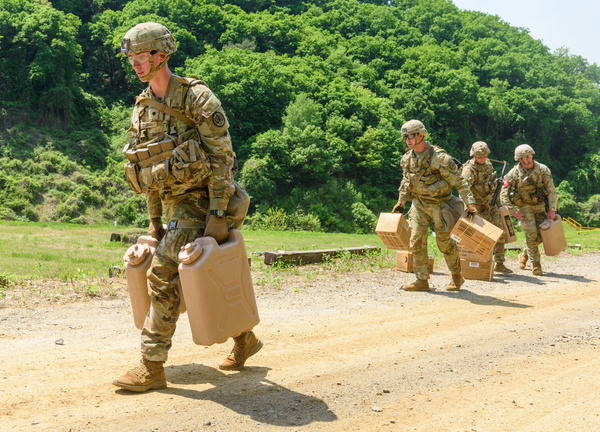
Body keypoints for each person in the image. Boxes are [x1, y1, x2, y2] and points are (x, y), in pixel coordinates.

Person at [114, 22, 262, 392]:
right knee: (194, 273)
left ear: (160, 54)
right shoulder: (142, 108)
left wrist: (216, 214)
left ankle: (152, 365)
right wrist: (153, 223)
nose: (135, 63)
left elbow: (222, 159)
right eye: (131, 57)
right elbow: (145, 168)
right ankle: (244, 338)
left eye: (140, 55)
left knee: (163, 272)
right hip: (171, 202)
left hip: (202, 200)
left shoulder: (197, 97)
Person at [393, 120, 478, 292]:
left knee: (445, 244)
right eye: (405, 137)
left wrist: (470, 204)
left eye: (411, 136)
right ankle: (421, 280)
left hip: (441, 205)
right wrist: (401, 202)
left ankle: (456, 277)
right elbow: (406, 181)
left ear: (421, 135)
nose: (408, 140)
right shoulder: (407, 158)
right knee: (416, 241)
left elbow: (459, 182)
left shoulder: (440, 158)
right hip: (419, 204)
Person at [500, 144, 558, 276]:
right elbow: (503, 193)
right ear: (519, 159)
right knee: (531, 235)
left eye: (530, 155)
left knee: (542, 235)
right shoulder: (513, 174)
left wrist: (552, 209)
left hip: (540, 206)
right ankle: (536, 265)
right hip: (524, 207)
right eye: (525, 157)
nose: (528, 159)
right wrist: (512, 210)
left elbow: (551, 190)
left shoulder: (543, 170)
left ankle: (525, 253)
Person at [461, 141, 513, 274]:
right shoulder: (469, 170)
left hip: (491, 204)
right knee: (474, 236)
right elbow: (463, 188)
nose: (482, 159)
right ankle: (471, 263)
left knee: (499, 232)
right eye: (479, 157)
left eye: (484, 156)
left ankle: (500, 263)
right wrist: (469, 206)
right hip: (475, 206)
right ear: (473, 155)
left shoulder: (488, 165)